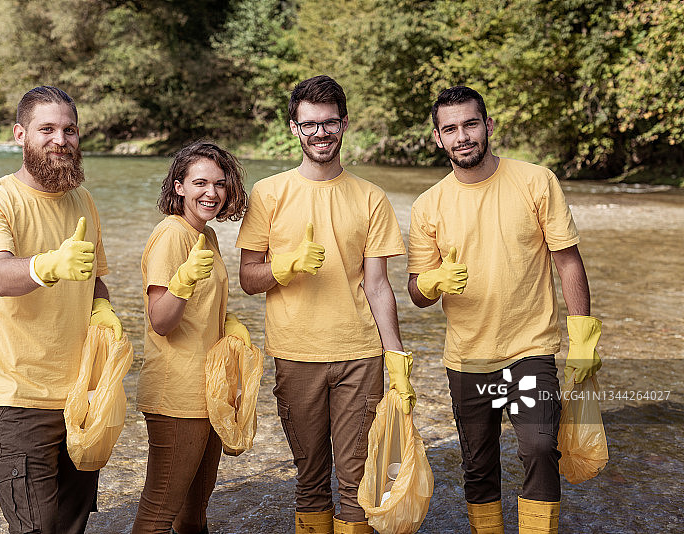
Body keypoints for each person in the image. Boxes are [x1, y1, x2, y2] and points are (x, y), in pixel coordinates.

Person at [407, 86, 603, 534]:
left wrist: (583, 338)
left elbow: (568, 261)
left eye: (470, 124)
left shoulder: (536, 181)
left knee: (539, 447)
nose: (462, 137)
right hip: (467, 356)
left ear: (488, 126)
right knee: (478, 465)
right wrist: (433, 281)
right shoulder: (427, 206)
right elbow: (417, 292)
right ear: (437, 138)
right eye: (450, 129)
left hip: (529, 349)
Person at [236, 75, 413, 534]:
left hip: (360, 354)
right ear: (294, 128)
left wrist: (395, 355)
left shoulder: (371, 197)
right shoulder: (268, 194)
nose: (320, 133)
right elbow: (248, 278)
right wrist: (285, 266)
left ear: (344, 124)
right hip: (296, 354)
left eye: (329, 123)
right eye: (310, 124)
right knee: (310, 478)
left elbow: (378, 285)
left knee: (359, 481)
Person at [0, 86, 123, 534]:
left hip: (82, 394)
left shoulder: (82, 200)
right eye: (46, 129)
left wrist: (103, 309)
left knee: (72, 523)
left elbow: (95, 277)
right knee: (35, 526)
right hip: (19, 398)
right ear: (20, 134)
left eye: (69, 130)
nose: (60, 139)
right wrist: (48, 265)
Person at [132, 141, 250, 534]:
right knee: (159, 513)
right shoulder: (171, 234)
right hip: (176, 395)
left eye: (220, 184)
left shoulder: (207, 235)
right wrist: (182, 281)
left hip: (207, 391)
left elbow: (200, 308)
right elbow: (161, 321)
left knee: (194, 512)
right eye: (200, 183)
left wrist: (229, 323)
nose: (211, 193)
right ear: (179, 187)